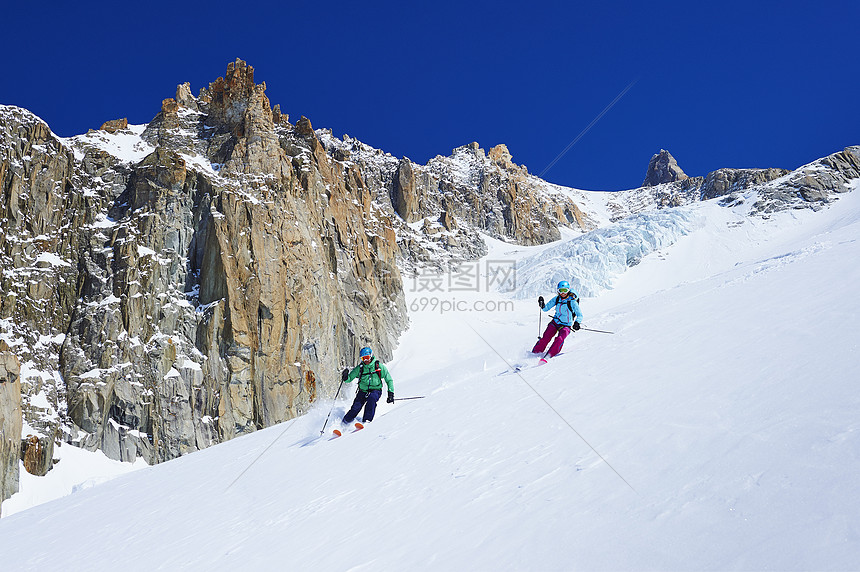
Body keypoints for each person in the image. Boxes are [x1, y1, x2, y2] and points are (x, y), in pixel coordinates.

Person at [340, 346, 394, 424]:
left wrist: (390, 393)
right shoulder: (360, 368)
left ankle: (366, 422)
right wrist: (345, 377)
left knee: (371, 400)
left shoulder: (378, 366)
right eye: (363, 358)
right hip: (363, 390)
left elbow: (389, 380)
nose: (365, 360)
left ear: (371, 356)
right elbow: (349, 379)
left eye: (367, 357)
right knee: (355, 408)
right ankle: (344, 423)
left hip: (376, 390)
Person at [532, 280, 583, 360]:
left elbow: (580, 315)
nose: (563, 293)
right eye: (560, 290)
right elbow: (546, 309)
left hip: (566, 325)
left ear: (568, 290)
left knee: (559, 339)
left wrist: (577, 323)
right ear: (558, 291)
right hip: (555, 322)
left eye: (565, 290)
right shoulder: (557, 299)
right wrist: (542, 304)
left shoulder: (572, 302)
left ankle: (549, 356)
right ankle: (534, 354)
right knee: (545, 338)